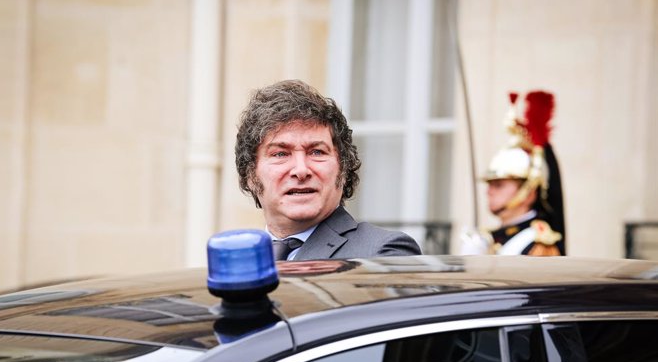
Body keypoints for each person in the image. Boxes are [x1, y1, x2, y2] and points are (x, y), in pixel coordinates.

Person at [235, 79, 422, 260]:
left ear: (343, 168)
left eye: (316, 152)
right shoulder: (239, 261)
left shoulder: (384, 252)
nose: (301, 170)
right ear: (250, 174)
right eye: (281, 154)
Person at [461, 91, 565, 256]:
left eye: (499, 185)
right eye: (490, 184)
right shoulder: (490, 238)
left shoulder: (540, 243)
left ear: (529, 193)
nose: (489, 191)